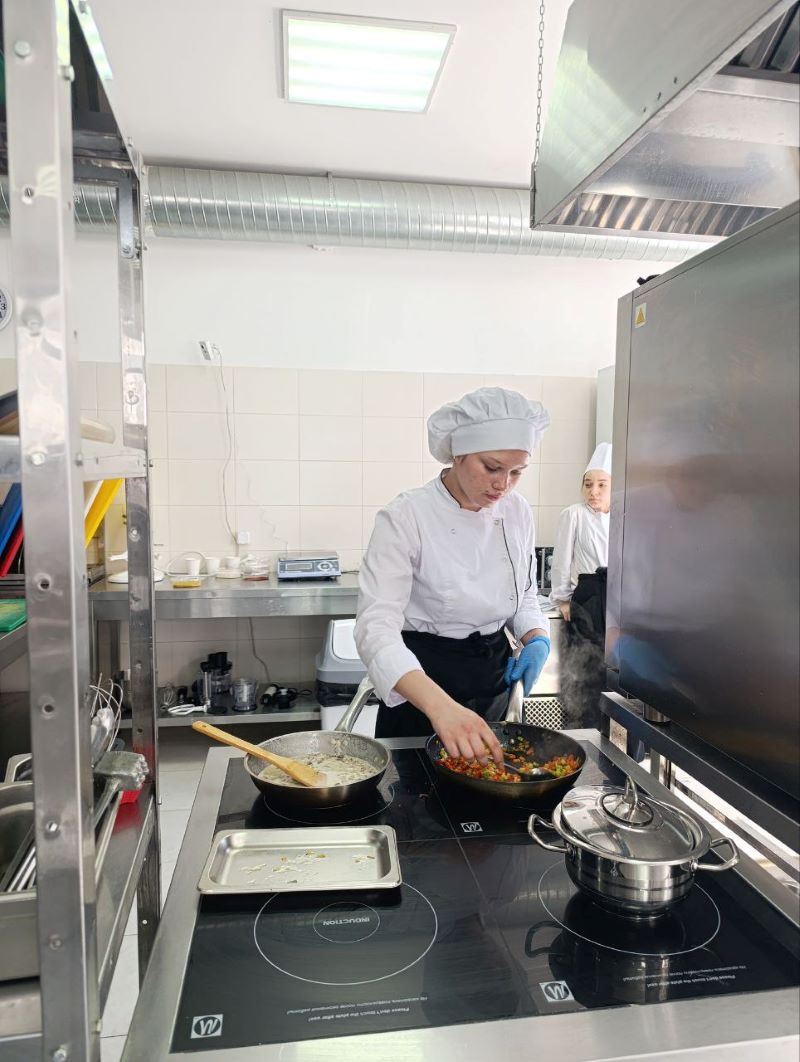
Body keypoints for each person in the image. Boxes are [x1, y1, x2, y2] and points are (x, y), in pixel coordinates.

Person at [355, 387, 551, 766]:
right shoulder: (406, 516)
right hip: (422, 685)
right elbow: (374, 629)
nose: (503, 484)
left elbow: (523, 593)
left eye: (517, 472)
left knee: (493, 783)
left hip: (493, 677)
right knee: (417, 793)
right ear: (458, 453)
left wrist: (537, 636)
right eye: (491, 467)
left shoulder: (517, 512)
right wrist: (440, 708)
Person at [549, 442, 612, 726]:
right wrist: (563, 598)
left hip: (620, 597)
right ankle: (584, 729)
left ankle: (617, 733)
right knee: (587, 671)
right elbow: (561, 560)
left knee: (615, 670)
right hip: (588, 595)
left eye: (601, 485)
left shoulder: (625, 515)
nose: (593, 491)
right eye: (588, 485)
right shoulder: (574, 514)